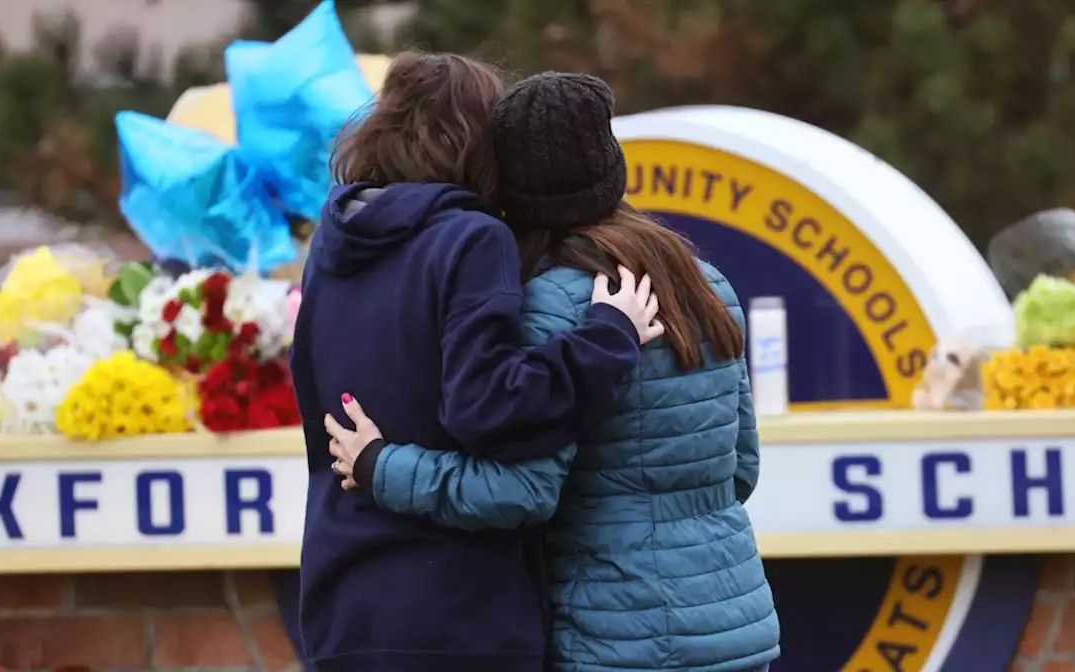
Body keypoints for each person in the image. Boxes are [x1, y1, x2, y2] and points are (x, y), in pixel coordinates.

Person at [326, 73, 781, 671]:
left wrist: (383, 465)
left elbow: (519, 492)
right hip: (739, 629)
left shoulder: (555, 304)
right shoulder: (706, 284)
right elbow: (742, 467)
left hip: (621, 642)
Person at [291, 54, 665, 672]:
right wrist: (608, 335)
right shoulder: (470, 237)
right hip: (458, 611)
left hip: (342, 601)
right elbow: (491, 408)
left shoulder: (332, 242)